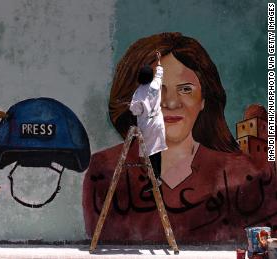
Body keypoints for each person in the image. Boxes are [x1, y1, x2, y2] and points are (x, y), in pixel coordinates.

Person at [82, 32, 277, 242]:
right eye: (157, 92)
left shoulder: (246, 175)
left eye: (185, 89)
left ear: (204, 99)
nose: (171, 103)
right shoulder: (105, 171)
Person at [129, 51, 165, 191]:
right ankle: (157, 177)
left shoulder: (138, 93)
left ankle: (153, 179)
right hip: (158, 122)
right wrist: (159, 60)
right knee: (157, 151)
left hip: (148, 125)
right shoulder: (156, 85)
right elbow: (160, 73)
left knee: (149, 153)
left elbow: (136, 111)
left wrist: (131, 107)